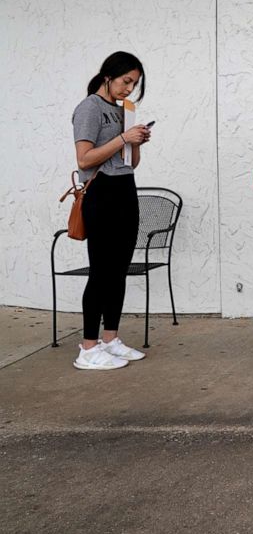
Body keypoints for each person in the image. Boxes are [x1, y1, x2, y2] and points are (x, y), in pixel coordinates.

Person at [71, 52, 152, 370]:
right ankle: (88, 348)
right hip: (100, 193)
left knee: (119, 270)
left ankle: (110, 339)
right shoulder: (89, 108)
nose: (129, 89)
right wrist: (122, 138)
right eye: (125, 81)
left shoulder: (123, 111)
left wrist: (136, 143)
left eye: (134, 84)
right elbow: (84, 159)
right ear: (108, 75)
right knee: (101, 271)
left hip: (124, 190)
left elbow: (129, 162)